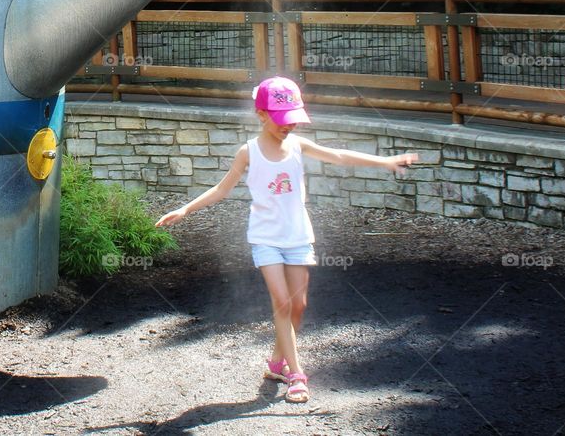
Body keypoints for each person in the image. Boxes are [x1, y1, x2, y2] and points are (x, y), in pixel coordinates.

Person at [155, 76, 418, 403]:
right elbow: (222, 189)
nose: (288, 126)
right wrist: (185, 209)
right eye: (282, 119)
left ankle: (277, 362)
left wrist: (386, 162)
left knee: (298, 305)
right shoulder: (248, 152)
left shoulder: (298, 145)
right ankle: (296, 375)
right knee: (281, 301)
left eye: (293, 119)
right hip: (265, 238)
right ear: (261, 114)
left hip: (298, 236)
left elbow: (338, 156)